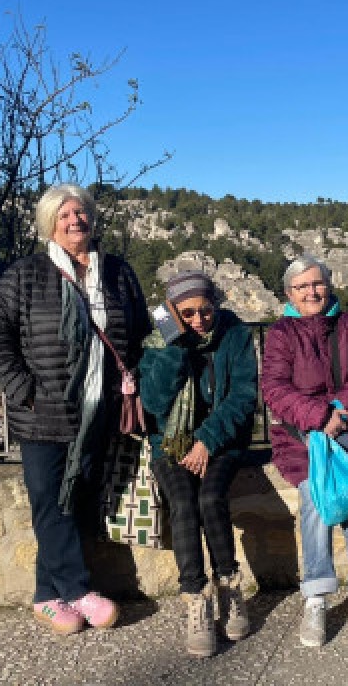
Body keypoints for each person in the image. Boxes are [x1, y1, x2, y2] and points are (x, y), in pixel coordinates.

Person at [0, 183, 150, 635]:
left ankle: (45, 597)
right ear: (50, 224)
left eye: (81, 212)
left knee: (73, 501)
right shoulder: (27, 274)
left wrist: (130, 379)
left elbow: (137, 330)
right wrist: (24, 390)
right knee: (49, 501)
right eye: (64, 215)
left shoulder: (117, 273)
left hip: (98, 410)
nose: (75, 221)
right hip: (42, 413)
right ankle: (77, 590)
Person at [260, 255, 348, 647]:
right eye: (302, 287)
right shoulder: (281, 334)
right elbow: (274, 388)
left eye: (317, 283)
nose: (311, 292)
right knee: (314, 494)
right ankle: (317, 595)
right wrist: (320, 417)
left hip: (347, 428)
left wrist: (338, 414)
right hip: (298, 438)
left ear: (329, 285)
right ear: (289, 294)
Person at [137, 270, 257, 657]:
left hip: (220, 441)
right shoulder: (157, 343)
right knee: (183, 504)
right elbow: (154, 403)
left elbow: (243, 397)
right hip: (170, 443)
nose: (199, 319)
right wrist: (176, 347)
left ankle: (229, 586)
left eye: (206, 310)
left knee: (209, 499)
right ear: (173, 312)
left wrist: (206, 439)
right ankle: (196, 601)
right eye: (187, 313)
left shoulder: (235, 335)